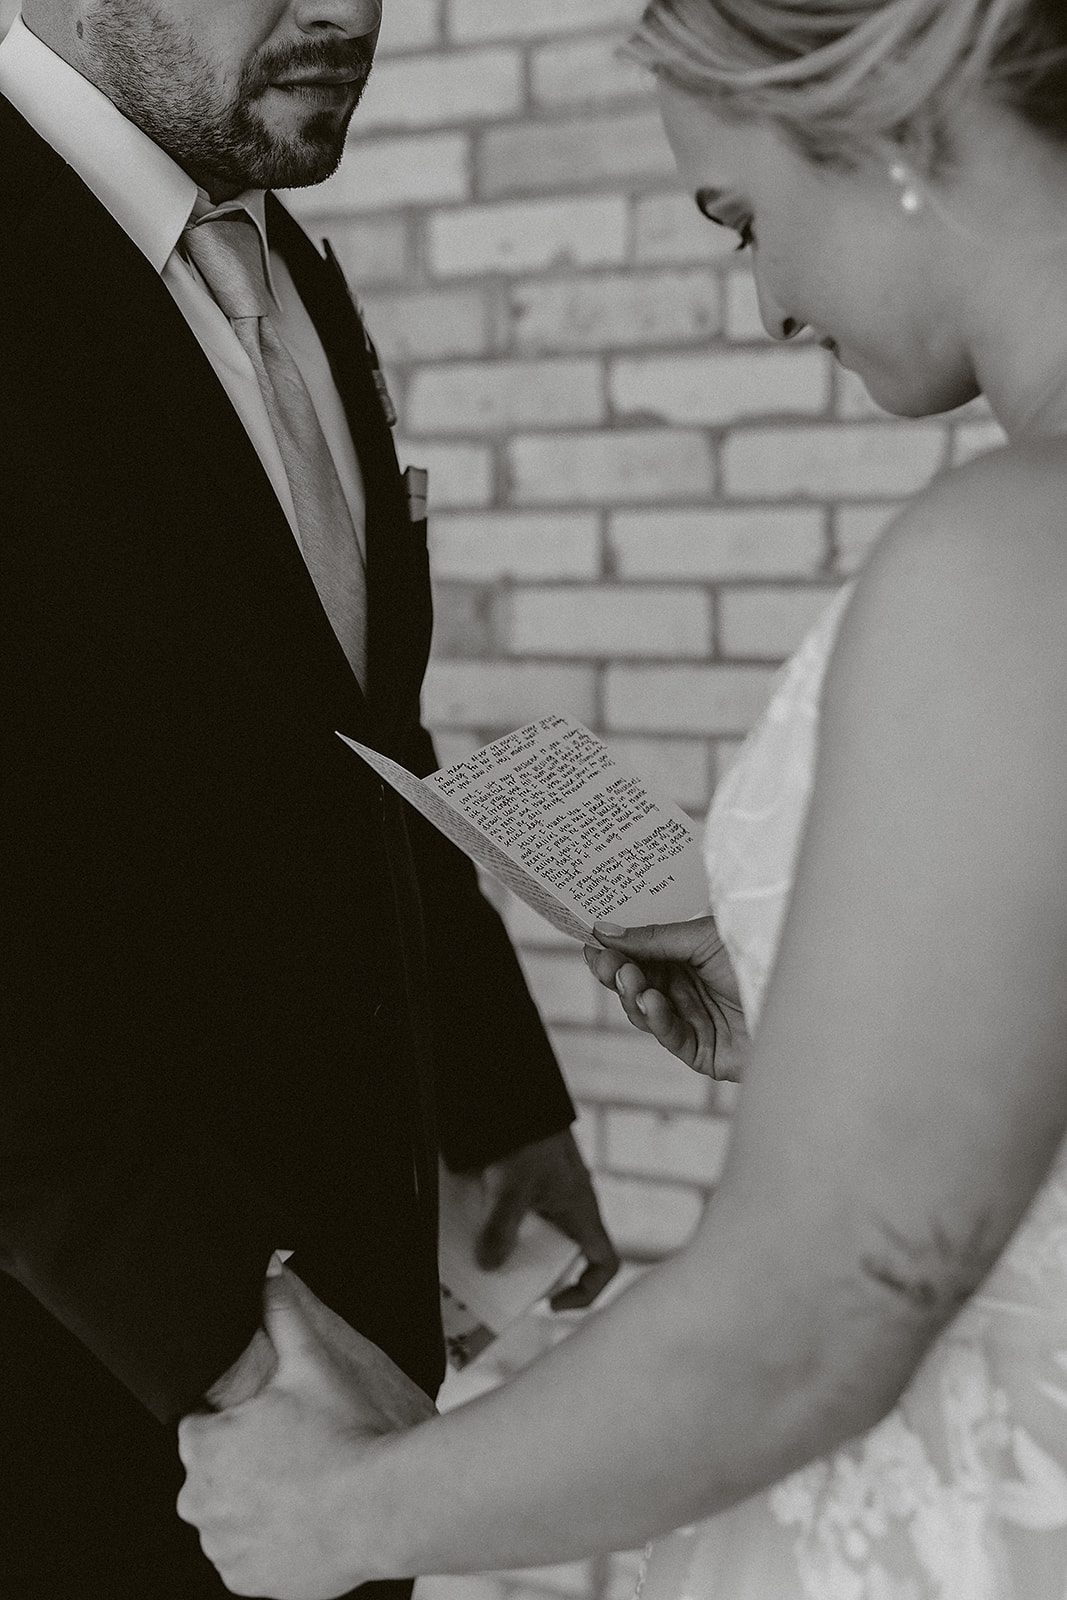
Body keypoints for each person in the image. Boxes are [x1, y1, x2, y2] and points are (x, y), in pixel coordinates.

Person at [175, 1, 1067, 1597]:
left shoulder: (1005, 566)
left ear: (886, 120)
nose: (771, 306)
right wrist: (816, 1022)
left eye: (740, 222)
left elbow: (810, 1322)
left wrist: (342, 1512)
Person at [0, 1, 620, 1595]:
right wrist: (230, 1339)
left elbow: (349, 735)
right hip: (90, 1373)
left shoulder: (283, 267)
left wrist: (496, 1096)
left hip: (350, 1320)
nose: (352, 10)